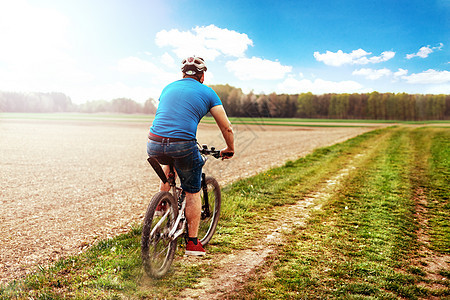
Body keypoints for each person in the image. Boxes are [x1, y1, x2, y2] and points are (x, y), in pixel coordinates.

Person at [147, 56, 234, 256]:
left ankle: (162, 205)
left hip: (153, 143)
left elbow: (167, 116)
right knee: (192, 190)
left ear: (183, 74)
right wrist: (230, 147)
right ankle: (193, 243)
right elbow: (226, 127)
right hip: (182, 145)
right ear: (202, 76)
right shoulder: (209, 93)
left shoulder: (168, 88)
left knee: (170, 163)